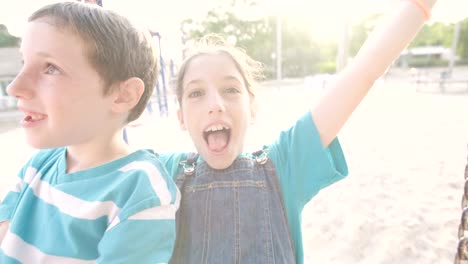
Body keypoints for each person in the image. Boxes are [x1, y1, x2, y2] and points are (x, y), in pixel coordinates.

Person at [156, 0, 438, 263]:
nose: (215, 105)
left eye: (230, 89)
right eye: (196, 93)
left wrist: (420, 6)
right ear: (181, 117)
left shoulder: (285, 165)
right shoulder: (162, 172)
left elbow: (363, 72)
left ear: (252, 109)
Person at [0, 2, 179, 263]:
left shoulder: (139, 191)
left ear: (123, 95)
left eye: (51, 67)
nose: (15, 87)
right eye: (24, 62)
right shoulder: (38, 165)